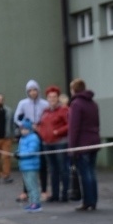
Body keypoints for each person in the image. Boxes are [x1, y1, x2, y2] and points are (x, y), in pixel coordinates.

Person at [67, 78, 100, 211]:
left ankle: (87, 201)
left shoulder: (76, 104)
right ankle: (93, 200)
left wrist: (72, 148)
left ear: (73, 90)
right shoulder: (93, 103)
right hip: (93, 142)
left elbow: (74, 127)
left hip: (82, 143)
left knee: (85, 174)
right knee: (91, 172)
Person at [38, 85, 70, 202]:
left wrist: (58, 131)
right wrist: (42, 134)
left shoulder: (64, 110)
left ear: (58, 98)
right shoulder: (45, 112)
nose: (52, 99)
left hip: (60, 142)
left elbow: (69, 124)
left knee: (63, 168)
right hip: (47, 143)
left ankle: (65, 193)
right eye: (49, 97)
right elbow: (41, 124)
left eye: (54, 96)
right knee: (52, 169)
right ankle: (55, 194)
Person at [16, 119, 42, 212]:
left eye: (25, 129)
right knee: (28, 185)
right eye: (22, 129)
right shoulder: (22, 139)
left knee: (33, 185)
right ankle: (32, 202)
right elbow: (20, 149)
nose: (23, 131)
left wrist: (20, 154)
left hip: (31, 165)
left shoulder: (33, 138)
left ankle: (36, 203)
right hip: (24, 166)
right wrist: (17, 153)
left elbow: (31, 151)